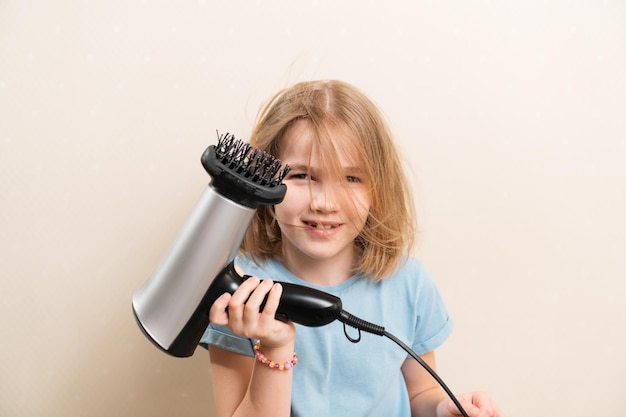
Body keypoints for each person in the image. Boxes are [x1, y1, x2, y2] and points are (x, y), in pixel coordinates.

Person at [201, 80, 503, 417]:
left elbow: (421, 392)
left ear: (378, 188)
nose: (325, 203)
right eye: (302, 175)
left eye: (351, 179)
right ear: (264, 180)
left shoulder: (408, 283)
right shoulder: (240, 292)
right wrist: (275, 347)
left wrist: (444, 408)